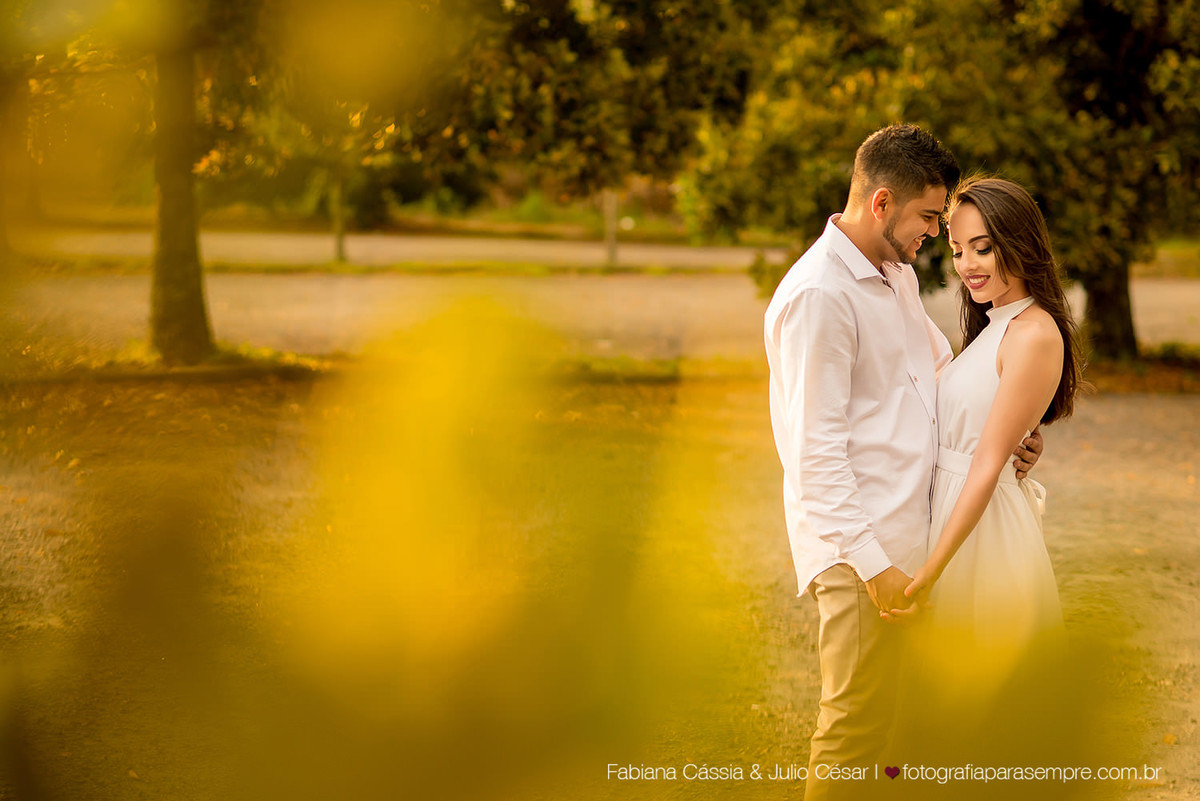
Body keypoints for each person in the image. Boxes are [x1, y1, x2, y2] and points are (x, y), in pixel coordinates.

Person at [763, 126, 1043, 801]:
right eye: (928, 217)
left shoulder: (894, 275)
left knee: (900, 732)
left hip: (907, 534)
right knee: (855, 723)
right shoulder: (821, 296)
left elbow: (935, 373)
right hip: (863, 550)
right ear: (882, 202)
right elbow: (813, 451)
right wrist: (873, 565)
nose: (933, 234)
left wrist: (999, 438)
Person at [886, 178, 1083, 755]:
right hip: (953, 518)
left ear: (1017, 242)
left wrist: (932, 571)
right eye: (956, 250)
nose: (967, 265)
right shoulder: (995, 324)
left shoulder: (1034, 332)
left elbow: (986, 464)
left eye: (983, 247)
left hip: (980, 534)